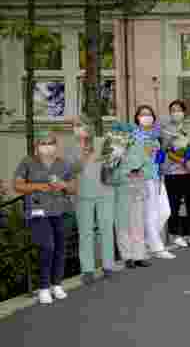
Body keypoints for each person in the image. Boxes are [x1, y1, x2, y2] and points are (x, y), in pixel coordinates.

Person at [13, 130, 76, 304]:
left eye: (50, 143)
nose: (47, 147)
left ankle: (57, 284)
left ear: (56, 146)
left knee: (60, 248)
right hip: (37, 211)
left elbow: (73, 188)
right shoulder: (27, 162)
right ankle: (43, 287)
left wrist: (63, 185)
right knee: (47, 246)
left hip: (60, 210)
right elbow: (17, 185)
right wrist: (39, 186)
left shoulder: (63, 164)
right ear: (37, 146)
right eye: (43, 143)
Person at [65, 122, 116, 284]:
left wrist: (113, 156)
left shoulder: (103, 141)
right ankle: (87, 269)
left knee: (106, 229)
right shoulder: (72, 149)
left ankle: (108, 265)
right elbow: (71, 169)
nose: (79, 129)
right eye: (76, 127)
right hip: (83, 195)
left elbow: (114, 160)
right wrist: (84, 154)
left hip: (105, 192)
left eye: (82, 125)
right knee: (85, 232)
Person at [134, 105, 175, 259]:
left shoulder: (154, 134)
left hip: (157, 176)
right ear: (137, 117)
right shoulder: (135, 135)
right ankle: (157, 248)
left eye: (149, 114)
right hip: (144, 178)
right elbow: (138, 157)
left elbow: (159, 155)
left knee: (165, 211)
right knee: (151, 214)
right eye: (143, 114)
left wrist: (164, 144)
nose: (147, 117)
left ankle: (146, 242)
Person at [108, 122, 150, 269]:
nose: (126, 136)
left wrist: (140, 173)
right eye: (122, 134)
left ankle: (139, 255)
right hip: (121, 192)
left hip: (137, 190)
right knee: (122, 225)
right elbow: (109, 175)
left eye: (129, 133)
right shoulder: (113, 150)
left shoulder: (138, 147)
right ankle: (127, 257)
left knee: (138, 224)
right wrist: (123, 174)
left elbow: (148, 166)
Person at [161, 100, 190, 247]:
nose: (175, 113)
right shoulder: (165, 130)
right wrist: (181, 160)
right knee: (173, 205)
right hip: (173, 172)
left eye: (178, 110)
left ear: (184, 112)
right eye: (173, 110)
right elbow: (165, 150)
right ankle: (176, 234)